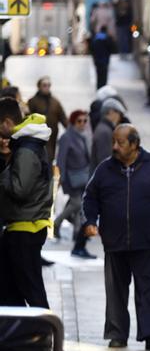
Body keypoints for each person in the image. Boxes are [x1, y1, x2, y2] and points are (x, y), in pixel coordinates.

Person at [82, 124, 150, 350]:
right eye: (114, 141)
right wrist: (91, 221)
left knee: (149, 289)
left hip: (148, 241)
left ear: (134, 144)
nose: (114, 147)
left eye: (120, 143)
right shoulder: (105, 170)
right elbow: (90, 198)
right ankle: (117, 334)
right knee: (116, 292)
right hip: (115, 241)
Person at [0, 98, 53, 308]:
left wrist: (4, 175)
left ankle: (46, 333)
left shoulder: (26, 149)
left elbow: (20, 189)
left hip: (26, 227)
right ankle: (27, 332)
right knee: (13, 285)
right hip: (22, 226)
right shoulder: (26, 144)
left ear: (6, 122)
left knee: (31, 287)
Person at [54, 110, 94, 259]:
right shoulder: (66, 138)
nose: (83, 124)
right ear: (72, 122)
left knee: (79, 207)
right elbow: (61, 161)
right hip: (71, 179)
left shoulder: (82, 137)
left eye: (85, 121)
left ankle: (77, 232)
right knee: (76, 204)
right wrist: (61, 180)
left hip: (82, 177)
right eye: (79, 121)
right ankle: (57, 223)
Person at [27, 76, 67, 161]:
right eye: (44, 85)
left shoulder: (55, 102)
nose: (47, 87)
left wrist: (71, 130)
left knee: (49, 158)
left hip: (52, 137)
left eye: (49, 85)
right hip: (37, 136)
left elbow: (63, 118)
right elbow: (27, 119)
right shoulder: (32, 101)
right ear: (39, 86)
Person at [92, 98, 126, 166]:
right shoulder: (105, 132)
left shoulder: (104, 128)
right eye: (119, 114)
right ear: (111, 112)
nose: (120, 118)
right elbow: (105, 161)